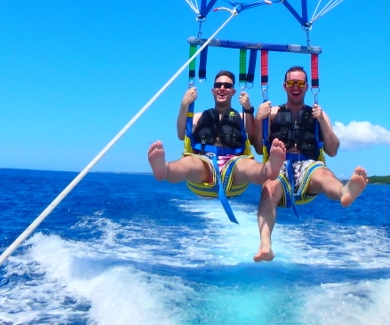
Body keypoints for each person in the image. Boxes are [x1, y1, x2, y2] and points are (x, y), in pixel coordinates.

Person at [251, 66, 368, 262]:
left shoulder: (317, 114)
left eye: (300, 83)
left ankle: (345, 193)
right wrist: (257, 118)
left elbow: (332, 149)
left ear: (306, 87)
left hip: (309, 165)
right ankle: (265, 244)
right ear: (284, 86)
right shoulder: (272, 113)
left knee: (324, 175)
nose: (295, 87)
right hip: (280, 166)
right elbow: (256, 146)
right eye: (291, 83)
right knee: (268, 188)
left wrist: (321, 120)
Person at [147, 70, 286, 200]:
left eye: (227, 86)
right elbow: (181, 134)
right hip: (203, 161)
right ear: (213, 90)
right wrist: (184, 104)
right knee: (187, 164)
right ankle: (164, 169)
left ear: (233, 91)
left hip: (234, 163)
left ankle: (269, 169)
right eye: (218, 85)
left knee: (248, 166)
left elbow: (254, 139)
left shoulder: (242, 117)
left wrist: (249, 110)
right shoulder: (198, 116)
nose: (222, 88)